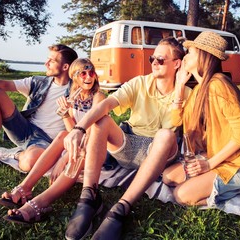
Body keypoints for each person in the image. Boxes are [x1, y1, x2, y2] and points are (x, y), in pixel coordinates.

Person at [62, 37, 191, 240]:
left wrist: (180, 89)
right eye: (152, 58)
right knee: (102, 120)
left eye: (160, 59)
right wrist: (78, 128)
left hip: (161, 153)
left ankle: (121, 208)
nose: (154, 63)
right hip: (130, 145)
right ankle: (89, 197)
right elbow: (106, 104)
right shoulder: (140, 82)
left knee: (166, 135)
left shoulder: (188, 94)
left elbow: (178, 129)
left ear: (177, 64)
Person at [0, 58, 105, 224]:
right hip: (80, 142)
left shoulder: (98, 97)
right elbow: (73, 132)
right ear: (74, 77)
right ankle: (25, 187)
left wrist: (65, 158)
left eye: (91, 73)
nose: (88, 77)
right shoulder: (72, 97)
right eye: (83, 74)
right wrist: (66, 114)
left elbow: (90, 135)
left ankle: (39, 203)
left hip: (95, 148)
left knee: (80, 150)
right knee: (62, 135)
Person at [162, 31, 240, 208]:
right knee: (167, 177)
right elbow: (177, 121)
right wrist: (179, 86)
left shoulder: (218, 85)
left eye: (190, 52)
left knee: (181, 195)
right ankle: (211, 185)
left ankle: (237, 189)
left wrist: (208, 164)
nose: (185, 56)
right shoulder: (199, 89)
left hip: (238, 163)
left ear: (203, 56)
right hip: (215, 155)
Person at [0, 44, 78, 177]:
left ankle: (8, 154)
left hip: (46, 142)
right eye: (47, 59)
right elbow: (3, 84)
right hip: (24, 129)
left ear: (65, 67)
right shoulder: (38, 82)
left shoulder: (76, 91)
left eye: (52, 61)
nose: (46, 63)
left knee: (31, 161)